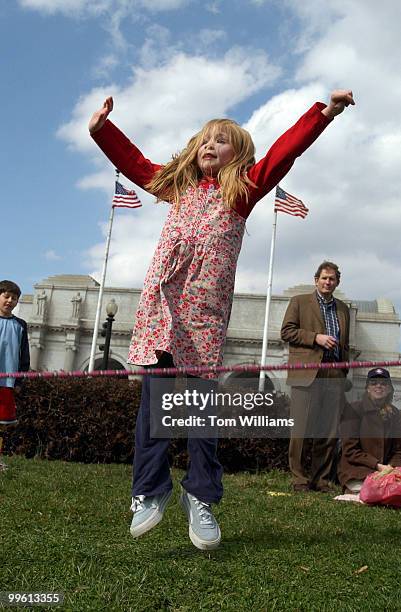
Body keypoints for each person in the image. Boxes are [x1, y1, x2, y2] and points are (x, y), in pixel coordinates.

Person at [89, 90, 355, 549]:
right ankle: (149, 491)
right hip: (161, 310)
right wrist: (101, 131)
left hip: (203, 318)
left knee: (198, 413)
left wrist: (324, 113)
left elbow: (284, 152)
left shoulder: (243, 190)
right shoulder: (177, 187)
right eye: (205, 139)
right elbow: (135, 163)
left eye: (223, 141)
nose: (210, 145)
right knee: (153, 408)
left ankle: (201, 496)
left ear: (240, 154)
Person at [281, 261, 350, 493]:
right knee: (300, 429)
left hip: (334, 374)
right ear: (316, 280)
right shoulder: (299, 302)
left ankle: (320, 480)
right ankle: (299, 479)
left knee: (328, 431)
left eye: (332, 279)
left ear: (337, 282)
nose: (327, 282)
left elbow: (345, 343)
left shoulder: (343, 309)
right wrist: (316, 338)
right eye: (324, 278)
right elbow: (287, 332)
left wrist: (344, 370)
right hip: (307, 373)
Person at [338, 368, 401, 494]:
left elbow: (399, 449)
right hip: (358, 469)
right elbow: (350, 450)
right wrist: (377, 466)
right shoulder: (353, 409)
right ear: (367, 388)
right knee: (372, 489)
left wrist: (391, 467)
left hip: (388, 470)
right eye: (374, 383)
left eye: (383, 384)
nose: (379, 386)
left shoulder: (395, 414)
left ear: (389, 389)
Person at [0, 280, 30, 470]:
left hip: (6, 382)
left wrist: (20, 378)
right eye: (6, 296)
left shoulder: (20, 325)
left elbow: (24, 354)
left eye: (14, 298)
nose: (10, 301)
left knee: (1, 424)